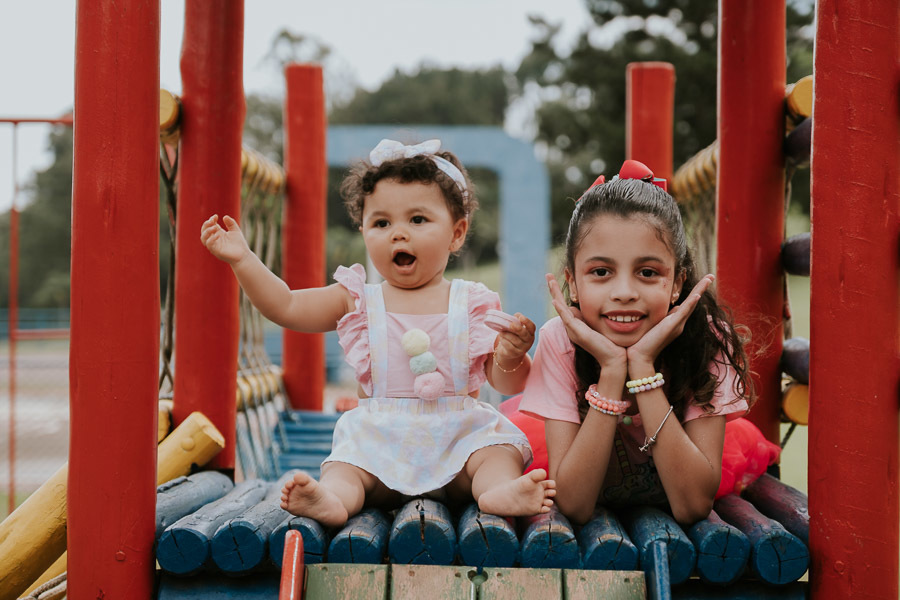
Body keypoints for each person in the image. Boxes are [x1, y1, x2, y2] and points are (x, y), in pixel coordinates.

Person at [201, 139, 555, 527]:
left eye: (417, 220)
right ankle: (332, 499)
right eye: (382, 223)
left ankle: (497, 490)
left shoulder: (470, 302)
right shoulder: (356, 300)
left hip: (457, 444)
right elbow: (284, 305)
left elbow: (508, 382)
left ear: (457, 233)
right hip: (382, 445)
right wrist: (242, 259)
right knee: (349, 465)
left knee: (495, 450)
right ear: (364, 230)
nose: (398, 234)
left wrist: (511, 353)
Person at [519, 160, 758, 526]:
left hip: (686, 468)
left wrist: (643, 367)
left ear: (677, 282)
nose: (625, 293)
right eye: (601, 273)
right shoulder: (560, 341)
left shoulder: (706, 339)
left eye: (648, 273)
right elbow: (574, 504)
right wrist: (613, 369)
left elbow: (693, 505)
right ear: (573, 280)